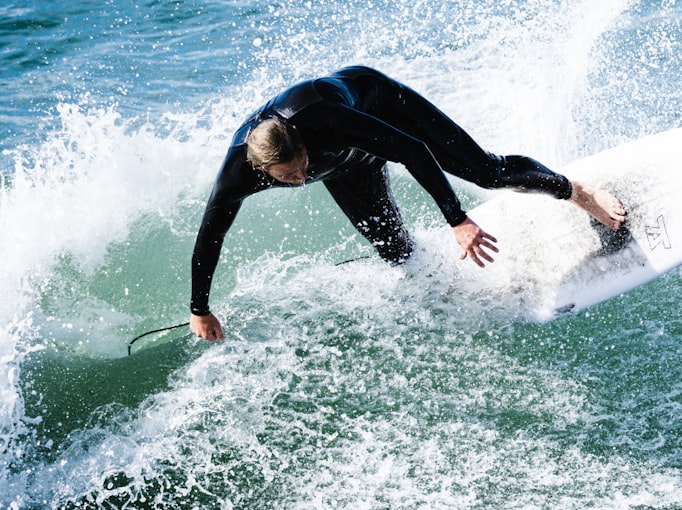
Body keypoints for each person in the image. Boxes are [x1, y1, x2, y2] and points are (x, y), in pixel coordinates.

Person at [190, 66, 626, 342]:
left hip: (382, 107)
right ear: (265, 172)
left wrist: (457, 218)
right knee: (393, 250)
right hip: (346, 166)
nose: (302, 177)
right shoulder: (237, 174)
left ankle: (580, 193)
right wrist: (200, 308)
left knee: (487, 172)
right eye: (289, 177)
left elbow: (411, 150)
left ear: (301, 142)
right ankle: (468, 289)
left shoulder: (324, 118)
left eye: (303, 165)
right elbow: (212, 233)